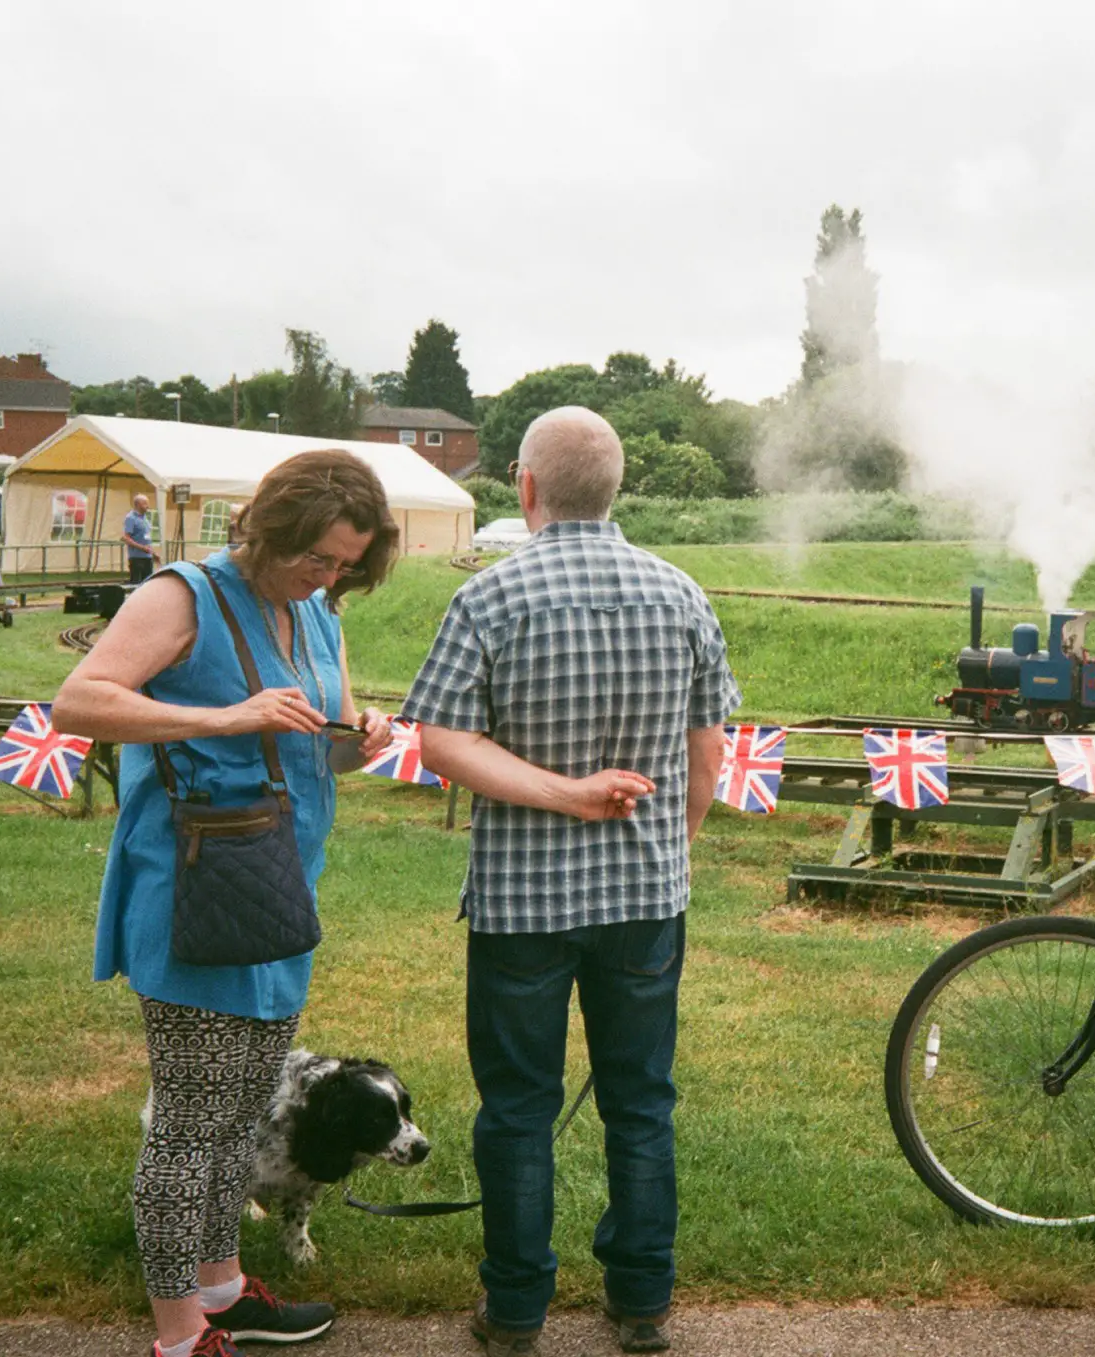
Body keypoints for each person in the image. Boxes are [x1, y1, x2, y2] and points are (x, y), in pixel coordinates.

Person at [404, 407, 741, 1357]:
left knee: (517, 1106)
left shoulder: (492, 598)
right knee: (642, 1100)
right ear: (617, 486)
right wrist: (668, 848)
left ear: (525, 487)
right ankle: (641, 1302)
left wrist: (558, 795)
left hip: (521, 904)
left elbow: (440, 743)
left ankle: (515, 1310)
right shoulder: (682, 595)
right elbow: (707, 751)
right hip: (647, 899)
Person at [52, 449, 403, 1357]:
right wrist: (225, 717)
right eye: (317, 557)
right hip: (197, 897)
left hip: (276, 895)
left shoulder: (316, 611)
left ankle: (220, 1286)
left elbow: (314, 750)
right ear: (273, 527)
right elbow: (79, 702)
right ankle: (180, 1334)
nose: (328, 578)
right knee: (190, 1125)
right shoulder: (183, 596)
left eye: (344, 565)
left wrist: (362, 740)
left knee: (241, 1115)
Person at [125, 493, 162, 584]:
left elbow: (146, 538)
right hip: (137, 558)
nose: (147, 506)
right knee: (136, 584)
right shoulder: (130, 518)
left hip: (147, 557)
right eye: (145, 503)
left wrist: (153, 553)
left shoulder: (145, 518)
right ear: (138, 504)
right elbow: (127, 538)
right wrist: (142, 548)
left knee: (148, 583)